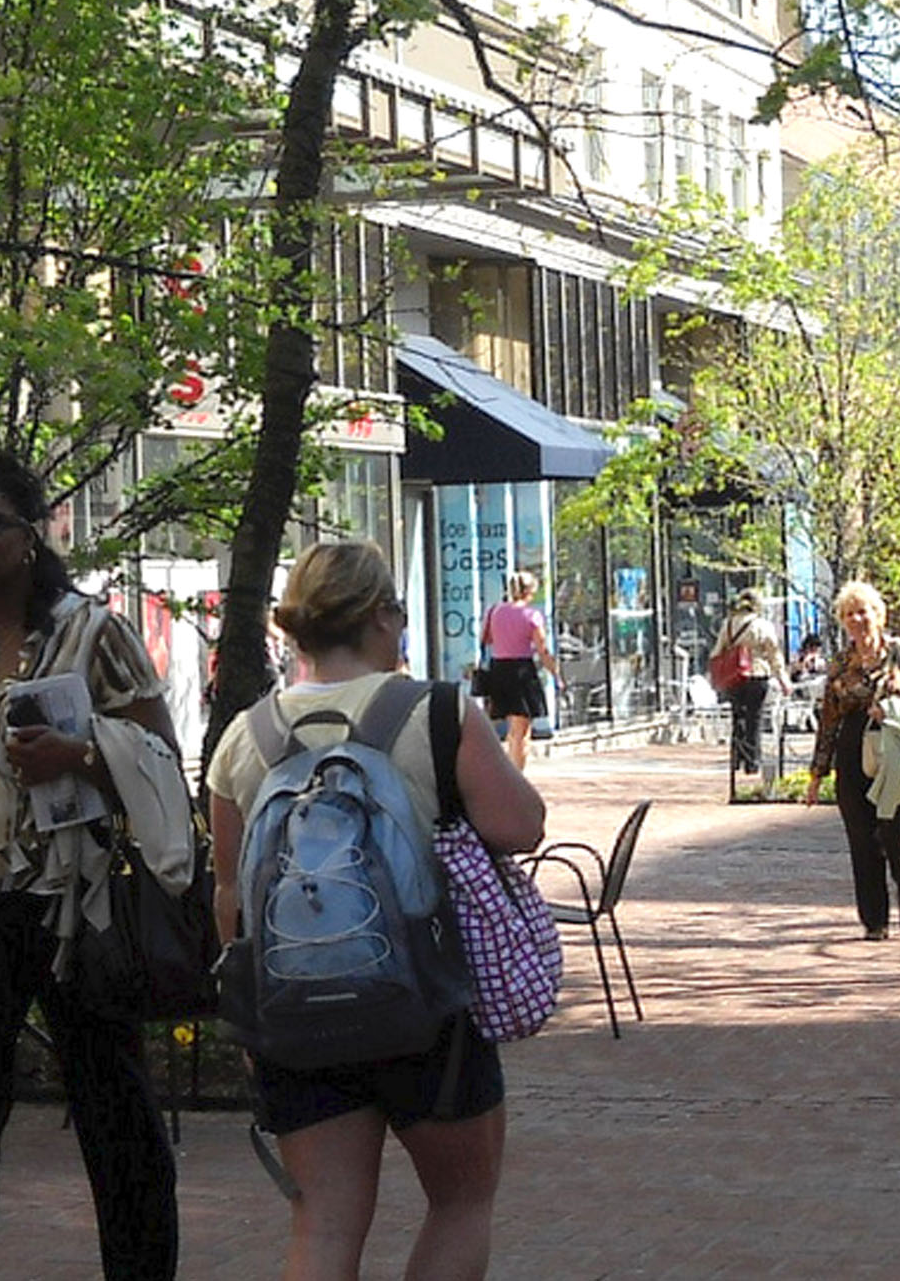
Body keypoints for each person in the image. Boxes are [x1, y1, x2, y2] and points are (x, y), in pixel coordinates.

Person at [205, 539, 546, 1280]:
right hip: (426, 1005)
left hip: (295, 1011)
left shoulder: (245, 735)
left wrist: (251, 1013)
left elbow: (229, 889)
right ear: (381, 616)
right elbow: (522, 826)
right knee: (460, 1202)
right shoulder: (437, 711)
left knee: (323, 1226)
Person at [0, 455, 184, 1281]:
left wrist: (80, 755)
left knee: (113, 1109)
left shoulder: (94, 631)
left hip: (74, 905)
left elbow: (161, 755)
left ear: (31, 536)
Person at [801, 580, 900, 940]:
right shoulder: (840, 663)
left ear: (878, 614)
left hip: (893, 748)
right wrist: (817, 774)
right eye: (849, 614)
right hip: (853, 747)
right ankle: (874, 919)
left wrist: (894, 708)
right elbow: (829, 718)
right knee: (861, 836)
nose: (857, 619)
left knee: (896, 831)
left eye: (863, 611)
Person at [478, 570, 558, 770]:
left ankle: (504, 769)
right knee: (521, 730)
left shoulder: (494, 611)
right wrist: (555, 673)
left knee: (508, 727)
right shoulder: (532, 616)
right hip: (521, 670)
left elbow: (485, 639)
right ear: (529, 591)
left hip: (499, 669)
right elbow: (543, 650)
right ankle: (517, 776)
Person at [709, 589, 787, 777]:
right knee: (755, 718)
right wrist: (782, 678)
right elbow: (773, 653)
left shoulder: (728, 624)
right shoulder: (762, 625)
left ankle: (736, 758)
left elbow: (717, 651)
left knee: (738, 717)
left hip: (734, 676)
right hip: (757, 674)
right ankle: (752, 762)